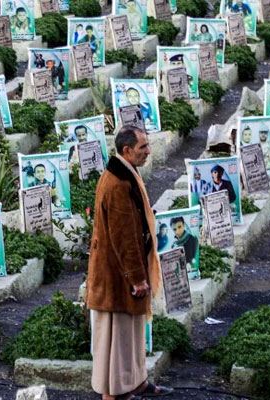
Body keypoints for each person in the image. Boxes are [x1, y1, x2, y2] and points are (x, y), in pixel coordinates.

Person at [87, 125, 173, 400]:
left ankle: (135, 382)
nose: (148, 151)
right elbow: (125, 238)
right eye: (143, 147)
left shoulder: (123, 174)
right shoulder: (117, 184)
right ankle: (112, 391)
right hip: (117, 276)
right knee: (117, 336)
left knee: (132, 332)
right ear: (127, 151)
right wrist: (137, 278)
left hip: (119, 273)